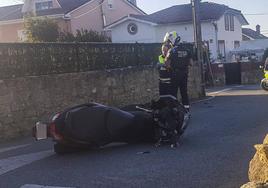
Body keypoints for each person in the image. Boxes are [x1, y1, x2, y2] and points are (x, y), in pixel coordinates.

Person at [164, 31, 193, 113]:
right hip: (184, 73)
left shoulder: (172, 51)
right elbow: (191, 63)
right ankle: (186, 109)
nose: (169, 44)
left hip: (175, 74)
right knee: (184, 92)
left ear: (172, 41)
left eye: (169, 42)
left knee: (173, 92)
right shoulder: (187, 50)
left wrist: (167, 60)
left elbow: (167, 64)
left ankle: (175, 109)